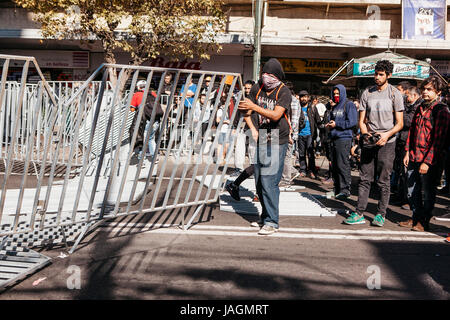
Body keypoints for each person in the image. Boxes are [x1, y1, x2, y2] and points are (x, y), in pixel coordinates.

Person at [344, 60, 404, 227]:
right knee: (364, 178)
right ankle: (359, 212)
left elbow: (399, 123)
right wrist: (365, 134)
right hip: (369, 141)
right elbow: (361, 121)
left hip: (388, 142)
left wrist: (386, 135)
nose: (377, 77)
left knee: (384, 180)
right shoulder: (367, 93)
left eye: (381, 75)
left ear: (388, 76)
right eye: (375, 74)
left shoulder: (394, 94)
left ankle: (380, 214)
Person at [238, 58, 292, 235]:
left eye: (270, 75)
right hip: (261, 135)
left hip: (277, 137)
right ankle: (265, 216)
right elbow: (246, 110)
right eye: (264, 74)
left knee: (270, 180)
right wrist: (252, 128)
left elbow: (276, 115)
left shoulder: (284, 92)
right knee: (260, 181)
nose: (266, 78)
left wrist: (254, 106)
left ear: (277, 77)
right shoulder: (257, 87)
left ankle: (272, 221)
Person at [398, 76, 450, 231]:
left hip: (430, 159)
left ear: (438, 92)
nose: (425, 92)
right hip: (414, 155)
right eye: (424, 89)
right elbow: (413, 132)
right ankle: (415, 217)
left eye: (429, 90)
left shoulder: (441, 111)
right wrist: (407, 152)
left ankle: (424, 220)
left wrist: (427, 162)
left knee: (428, 191)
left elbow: (439, 141)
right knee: (411, 190)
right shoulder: (420, 107)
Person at [325, 84, 358, 200]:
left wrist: (337, 125)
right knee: (334, 165)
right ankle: (337, 189)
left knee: (342, 164)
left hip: (344, 138)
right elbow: (332, 120)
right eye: (334, 94)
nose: (335, 95)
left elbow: (352, 122)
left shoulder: (349, 105)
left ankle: (345, 190)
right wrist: (329, 124)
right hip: (334, 138)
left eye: (338, 94)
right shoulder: (335, 106)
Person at [392, 86, 422, 210]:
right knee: (401, 172)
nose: (406, 97)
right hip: (402, 142)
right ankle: (402, 196)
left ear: (415, 96)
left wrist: (399, 112)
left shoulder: (418, 107)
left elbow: (409, 121)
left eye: (408, 95)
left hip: (410, 143)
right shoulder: (409, 106)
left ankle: (408, 200)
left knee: (407, 173)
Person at [280, 81, 302, 186]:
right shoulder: (286, 99)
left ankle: (286, 179)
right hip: (285, 132)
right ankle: (292, 172)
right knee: (282, 155)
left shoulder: (293, 100)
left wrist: (290, 133)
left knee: (286, 155)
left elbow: (294, 120)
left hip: (289, 133)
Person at [297, 90, 322, 179]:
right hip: (300, 134)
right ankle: (303, 170)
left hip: (310, 134)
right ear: (299, 98)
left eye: (305, 97)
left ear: (308, 98)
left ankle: (311, 170)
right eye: (302, 97)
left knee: (311, 154)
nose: (303, 98)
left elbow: (318, 120)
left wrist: (322, 129)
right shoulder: (297, 108)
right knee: (301, 154)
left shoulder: (312, 108)